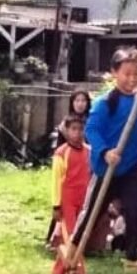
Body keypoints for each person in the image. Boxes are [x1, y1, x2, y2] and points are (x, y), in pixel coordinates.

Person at [71, 47, 137, 264]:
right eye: (127, 73)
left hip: (130, 169)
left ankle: (131, 254)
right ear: (115, 73)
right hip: (106, 169)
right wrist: (105, 152)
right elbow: (92, 130)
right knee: (92, 214)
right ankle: (72, 251)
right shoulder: (105, 102)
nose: (132, 78)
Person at [45, 89, 92, 244]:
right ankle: (56, 240)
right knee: (64, 215)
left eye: (83, 100)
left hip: (83, 171)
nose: (80, 104)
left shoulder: (91, 121)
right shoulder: (64, 124)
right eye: (77, 100)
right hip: (68, 173)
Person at [50, 114, 91, 274]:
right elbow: (56, 180)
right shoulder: (61, 153)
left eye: (80, 129)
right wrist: (56, 205)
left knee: (80, 235)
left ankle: (59, 270)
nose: (77, 133)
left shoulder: (90, 151)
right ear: (66, 131)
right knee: (74, 236)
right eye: (73, 129)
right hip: (67, 200)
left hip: (84, 199)